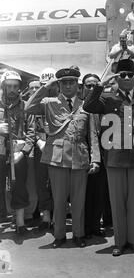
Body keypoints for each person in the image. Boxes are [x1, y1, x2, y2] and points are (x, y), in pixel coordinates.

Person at [83, 59, 134, 256]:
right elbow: (88, 106)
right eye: (122, 74)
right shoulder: (107, 97)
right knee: (117, 202)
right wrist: (101, 84)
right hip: (114, 158)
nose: (127, 78)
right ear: (117, 77)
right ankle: (119, 242)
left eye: (130, 74)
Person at [25, 68, 101, 248]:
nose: (68, 86)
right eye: (64, 82)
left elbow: (92, 134)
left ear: (77, 85)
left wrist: (95, 158)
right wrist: (46, 87)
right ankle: (59, 235)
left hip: (79, 156)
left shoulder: (85, 105)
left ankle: (78, 234)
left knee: (78, 200)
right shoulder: (49, 102)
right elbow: (28, 107)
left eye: (72, 82)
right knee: (58, 200)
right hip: (57, 157)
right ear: (58, 85)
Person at [0, 71, 35, 233]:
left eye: (15, 86)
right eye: (9, 86)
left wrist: (24, 151)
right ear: (3, 87)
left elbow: (31, 131)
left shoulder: (26, 106)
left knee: (19, 186)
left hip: (18, 153)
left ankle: (20, 222)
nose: (12, 89)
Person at [81, 73, 112, 238]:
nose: (92, 88)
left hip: (103, 153)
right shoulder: (80, 105)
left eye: (95, 85)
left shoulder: (104, 103)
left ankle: (95, 224)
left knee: (99, 192)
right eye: (88, 85)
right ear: (83, 87)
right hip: (84, 154)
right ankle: (84, 226)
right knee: (85, 194)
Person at [31, 68, 59, 231]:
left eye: (52, 85)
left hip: (59, 145)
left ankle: (58, 216)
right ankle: (46, 216)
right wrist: (38, 140)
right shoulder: (39, 102)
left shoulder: (62, 100)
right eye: (44, 85)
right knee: (42, 182)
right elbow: (29, 113)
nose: (49, 88)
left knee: (58, 183)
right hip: (41, 145)